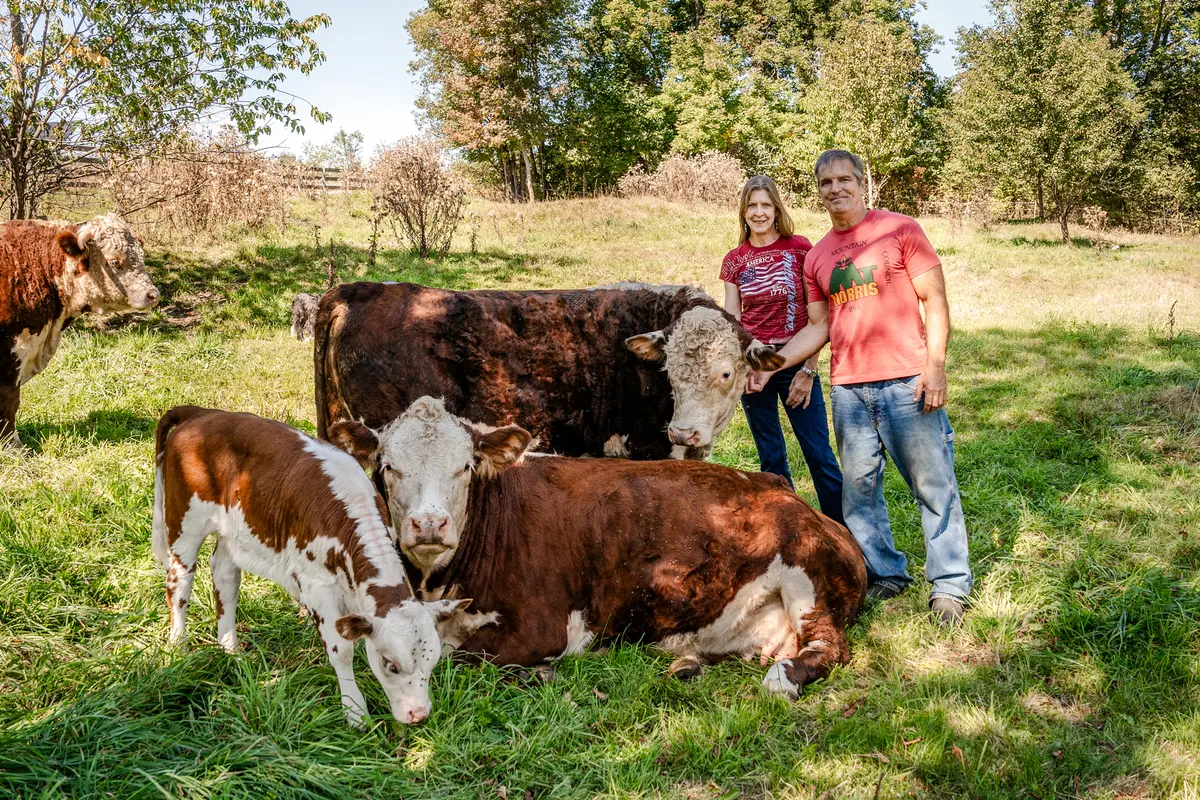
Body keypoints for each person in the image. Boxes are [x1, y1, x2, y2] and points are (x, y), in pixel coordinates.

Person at [746, 151, 972, 626]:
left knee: (932, 483)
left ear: (861, 182)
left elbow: (935, 299)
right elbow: (817, 327)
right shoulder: (818, 255)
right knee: (859, 491)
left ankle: (949, 585)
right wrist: (773, 365)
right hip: (849, 389)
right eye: (825, 182)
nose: (835, 189)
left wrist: (935, 366)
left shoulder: (901, 229)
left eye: (844, 179)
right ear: (818, 190)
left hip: (906, 381)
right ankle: (884, 570)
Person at [721, 175, 844, 525]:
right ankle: (788, 531)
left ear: (776, 210)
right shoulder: (734, 260)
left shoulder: (800, 249)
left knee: (819, 454)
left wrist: (808, 370)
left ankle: (842, 531)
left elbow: (815, 317)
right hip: (755, 367)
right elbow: (733, 319)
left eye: (766, 205)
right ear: (743, 212)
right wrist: (741, 367)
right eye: (752, 206)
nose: (759, 213)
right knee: (771, 457)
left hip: (795, 361)